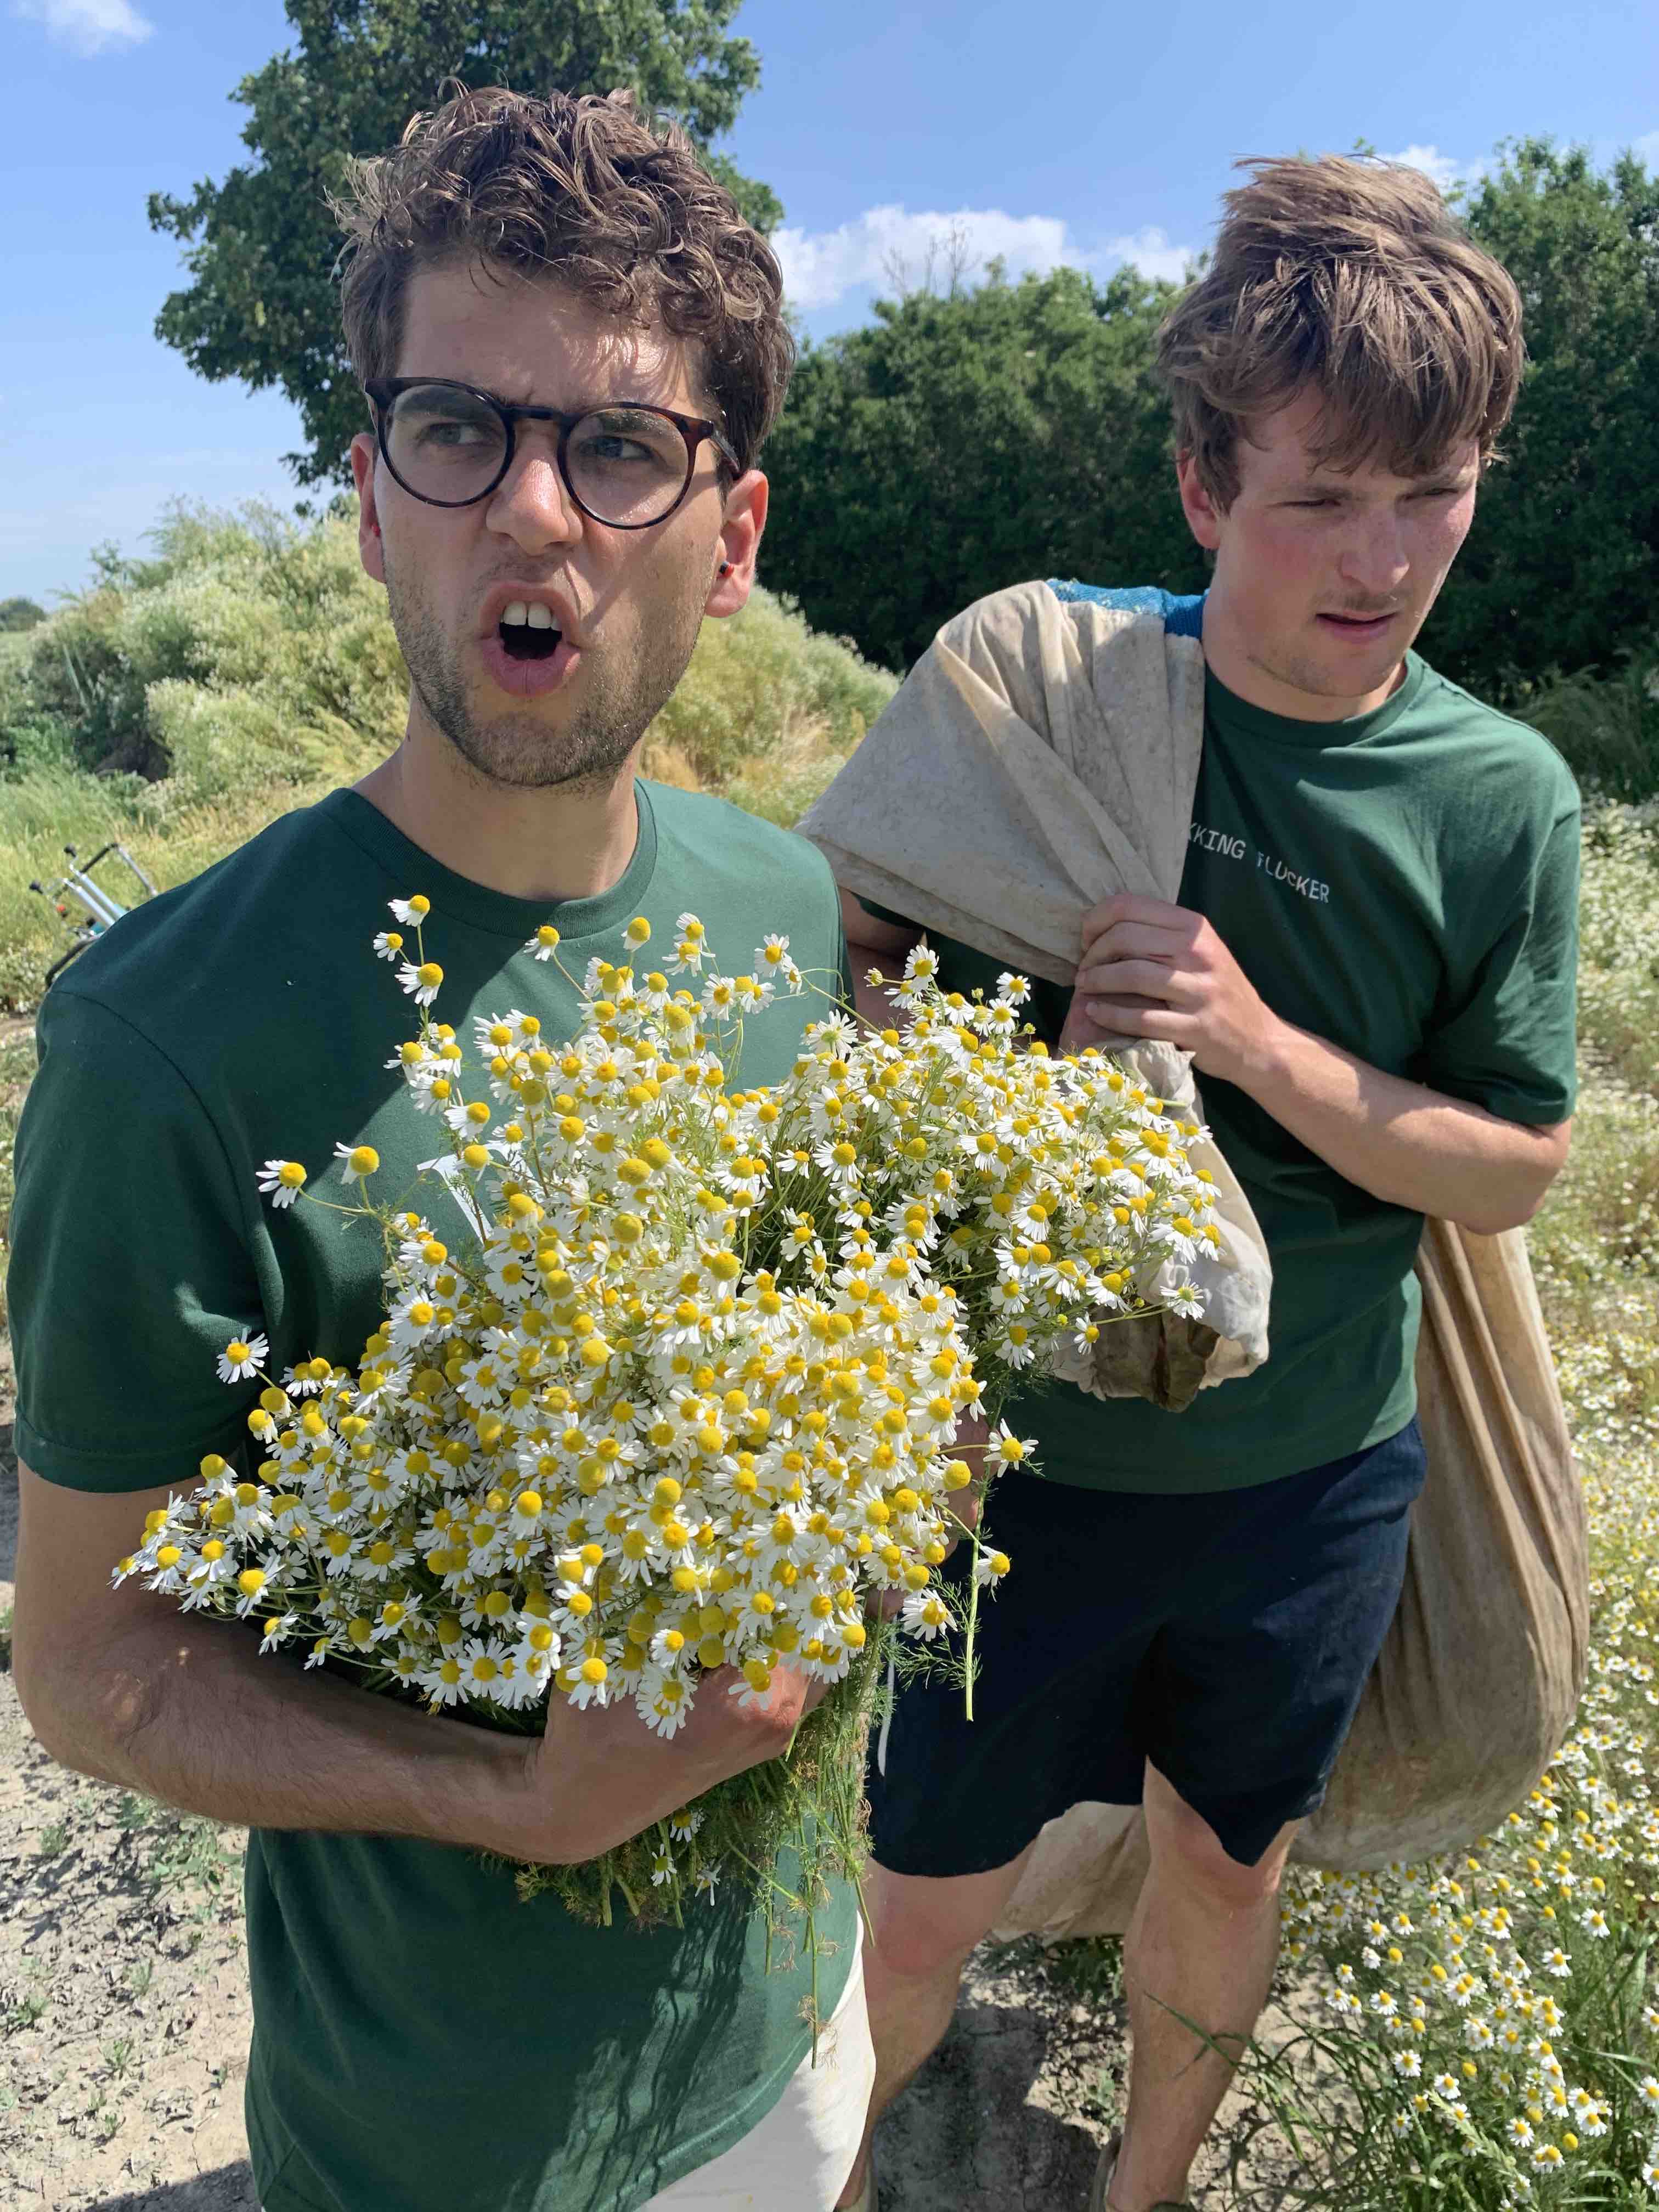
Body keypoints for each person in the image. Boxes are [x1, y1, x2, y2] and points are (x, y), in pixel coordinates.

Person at [9, 86, 874, 2212]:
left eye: (621, 445)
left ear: (734, 537)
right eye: (458, 429)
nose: (539, 514)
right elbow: (91, 1666)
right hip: (435, 2145)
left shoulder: (799, 915)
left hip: (796, 2043)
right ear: (372, 497)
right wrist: (519, 1800)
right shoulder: (162, 1051)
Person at [830, 155, 1580, 2212]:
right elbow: (841, 988)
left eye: (1432, 490)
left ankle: (1142, 2194)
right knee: (916, 1902)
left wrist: (1250, 1046)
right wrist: (1025, 1083)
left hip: (1312, 1481)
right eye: (1319, 495)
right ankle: (837, 2166)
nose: (1382, 557)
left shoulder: (1499, 796)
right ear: (1199, 487)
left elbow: (1509, 1169)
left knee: (1226, 1863)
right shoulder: (1037, 701)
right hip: (1009, 1471)